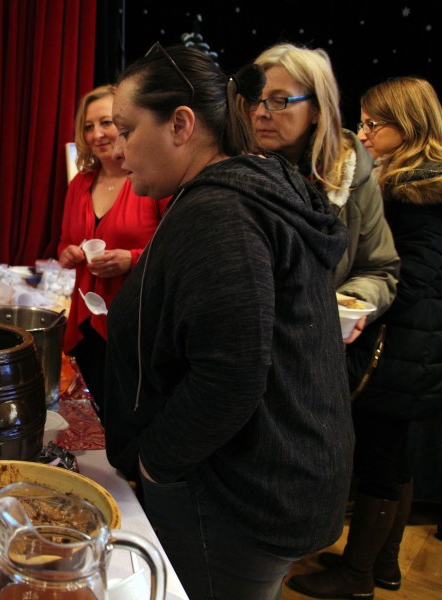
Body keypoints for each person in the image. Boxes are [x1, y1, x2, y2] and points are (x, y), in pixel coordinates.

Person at [104, 43, 354, 599]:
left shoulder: (222, 211)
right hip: (268, 480)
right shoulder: (240, 190)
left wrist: (154, 464)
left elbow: (231, 374)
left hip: (240, 493)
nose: (118, 151)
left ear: (181, 124)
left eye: (126, 129)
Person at [288, 76, 442, 599]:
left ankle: (356, 576)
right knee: (393, 456)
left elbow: (412, 277)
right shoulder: (421, 179)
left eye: (375, 124)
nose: (364, 133)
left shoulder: (414, 190)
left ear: (411, 126)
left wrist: (360, 310)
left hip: (398, 344)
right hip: (416, 346)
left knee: (378, 453)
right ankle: (385, 564)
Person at [251, 44, 399, 344]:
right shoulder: (229, 169)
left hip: (314, 353)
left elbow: (379, 269)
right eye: (255, 99)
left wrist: (348, 303)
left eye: (279, 101)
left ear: (317, 108)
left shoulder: (351, 175)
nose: (261, 113)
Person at [57, 85, 166, 416]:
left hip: (135, 325)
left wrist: (130, 259)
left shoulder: (152, 180)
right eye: (89, 127)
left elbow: (175, 251)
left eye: (106, 122)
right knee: (100, 410)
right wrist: (70, 254)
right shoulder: (80, 183)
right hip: (87, 321)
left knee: (133, 414)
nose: (97, 134)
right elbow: (63, 244)